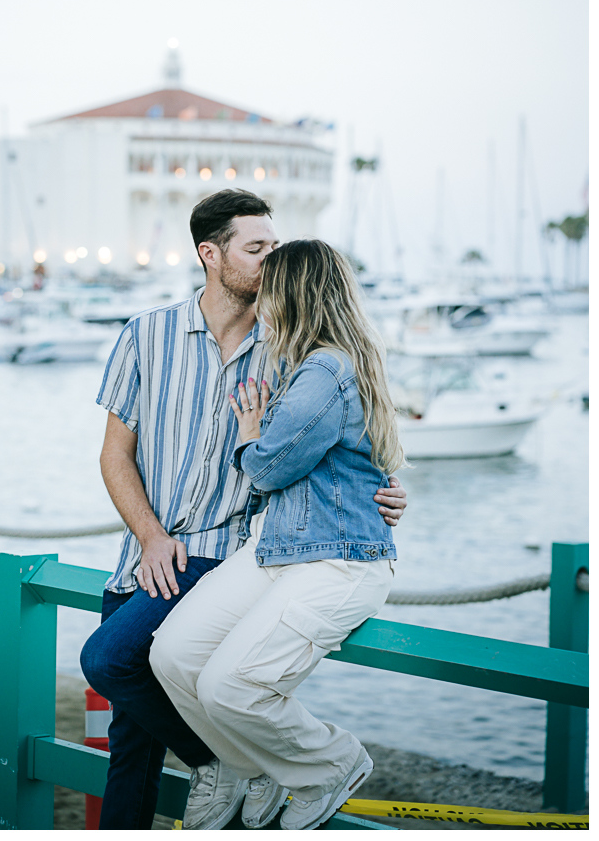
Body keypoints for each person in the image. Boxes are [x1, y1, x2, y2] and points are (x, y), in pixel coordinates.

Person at [80, 192, 408, 830]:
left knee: (116, 662)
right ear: (211, 254)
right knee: (130, 735)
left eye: (274, 247)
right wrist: (148, 536)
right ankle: (225, 767)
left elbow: (349, 433)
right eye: (256, 248)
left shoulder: (288, 345)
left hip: (236, 553)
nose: (270, 259)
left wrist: (389, 487)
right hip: (151, 555)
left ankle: (230, 766)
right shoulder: (146, 334)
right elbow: (115, 455)